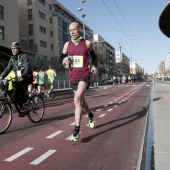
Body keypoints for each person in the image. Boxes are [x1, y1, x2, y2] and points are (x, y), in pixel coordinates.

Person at [60, 22, 97, 142]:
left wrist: (94, 66)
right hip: (73, 76)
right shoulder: (67, 45)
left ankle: (76, 130)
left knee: (76, 100)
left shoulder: (86, 43)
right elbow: (61, 57)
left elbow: (94, 56)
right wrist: (64, 60)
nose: (72, 32)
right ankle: (90, 115)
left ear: (79, 30)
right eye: (70, 30)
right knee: (81, 102)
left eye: (74, 30)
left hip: (84, 75)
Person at [0, 42, 33, 117]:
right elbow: (8, 69)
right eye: (12, 48)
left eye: (15, 48)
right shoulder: (12, 59)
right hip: (18, 78)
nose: (13, 50)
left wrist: (23, 75)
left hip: (26, 76)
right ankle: (22, 108)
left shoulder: (24, 56)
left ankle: (25, 104)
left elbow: (27, 68)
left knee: (17, 88)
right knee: (14, 94)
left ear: (19, 49)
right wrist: (1, 76)